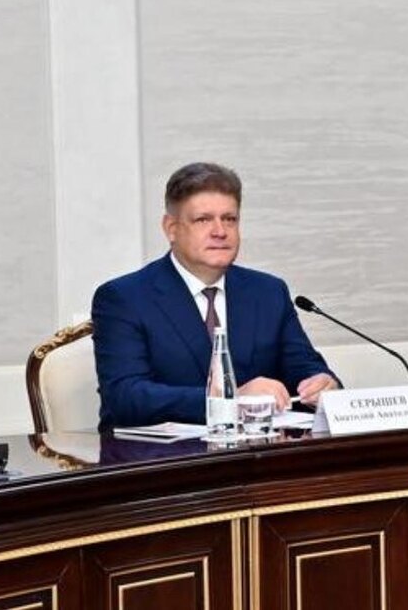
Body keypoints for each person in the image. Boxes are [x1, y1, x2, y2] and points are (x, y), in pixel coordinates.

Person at [92, 163, 339, 430]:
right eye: (203, 219)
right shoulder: (124, 298)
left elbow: (305, 368)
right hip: (162, 453)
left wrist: (321, 384)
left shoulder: (268, 292)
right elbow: (126, 398)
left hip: (258, 450)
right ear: (171, 228)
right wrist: (230, 400)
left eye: (229, 219)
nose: (220, 231)